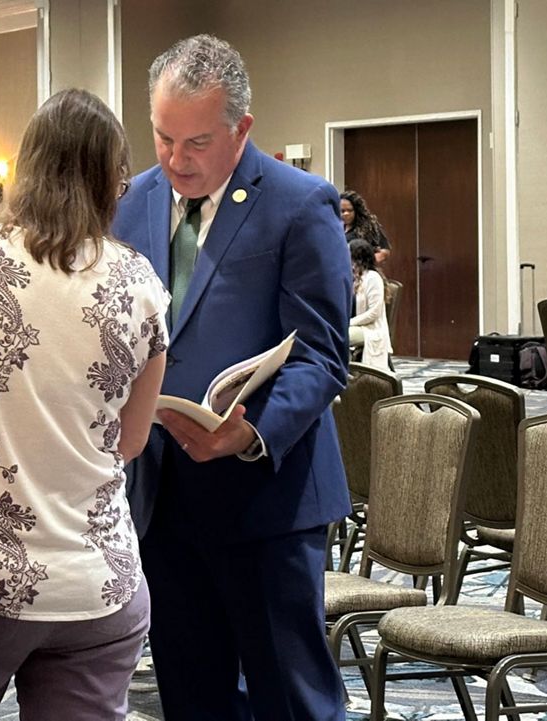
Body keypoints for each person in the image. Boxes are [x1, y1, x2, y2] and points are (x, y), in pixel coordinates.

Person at [0, 88, 168, 721]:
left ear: (26, 167)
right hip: (98, 580)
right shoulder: (141, 283)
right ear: (109, 181)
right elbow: (130, 441)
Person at [112, 35, 352, 720]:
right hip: (161, 494)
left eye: (197, 142)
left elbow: (323, 354)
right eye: (162, 137)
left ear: (242, 128)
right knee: (191, 693)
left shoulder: (299, 204)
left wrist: (250, 432)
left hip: (265, 498)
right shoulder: (133, 204)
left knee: (291, 697)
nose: (175, 159)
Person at [348, 238, 391, 369]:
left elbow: (374, 313)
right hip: (355, 326)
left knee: (340, 336)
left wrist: (350, 322)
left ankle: (344, 374)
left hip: (370, 329)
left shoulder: (372, 277)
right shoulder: (354, 277)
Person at [340, 189, 391, 266]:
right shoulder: (337, 228)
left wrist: (365, 265)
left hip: (361, 272)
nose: (346, 214)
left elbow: (384, 252)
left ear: (357, 210)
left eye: (350, 210)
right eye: (342, 211)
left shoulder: (369, 226)